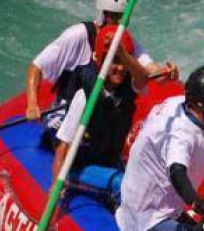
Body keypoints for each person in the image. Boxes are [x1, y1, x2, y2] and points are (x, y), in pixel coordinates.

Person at [115, 66, 204, 231]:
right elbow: (177, 171)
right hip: (147, 218)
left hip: (162, 205)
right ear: (201, 103)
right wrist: (197, 204)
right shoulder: (181, 134)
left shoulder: (179, 104)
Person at [25, 0, 178, 124]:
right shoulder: (78, 35)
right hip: (67, 108)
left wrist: (167, 74)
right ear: (102, 14)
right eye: (115, 17)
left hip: (100, 112)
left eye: (123, 18)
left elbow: (152, 72)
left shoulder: (126, 42)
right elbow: (36, 66)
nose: (119, 23)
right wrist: (32, 103)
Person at [52, 25, 142, 178]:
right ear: (101, 60)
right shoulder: (84, 97)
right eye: (114, 61)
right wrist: (57, 183)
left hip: (110, 162)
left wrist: (122, 53)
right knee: (121, 184)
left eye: (123, 62)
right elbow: (63, 147)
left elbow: (143, 78)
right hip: (83, 165)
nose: (120, 68)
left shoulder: (128, 89)